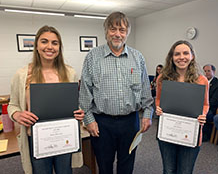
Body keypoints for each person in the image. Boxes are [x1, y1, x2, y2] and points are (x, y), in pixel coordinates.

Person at [79, 11, 153, 174]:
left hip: (130, 122)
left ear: (127, 33)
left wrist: (147, 114)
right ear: (106, 31)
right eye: (113, 29)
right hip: (102, 123)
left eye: (122, 30)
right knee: (104, 165)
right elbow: (85, 92)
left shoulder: (137, 57)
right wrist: (89, 120)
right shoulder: (92, 57)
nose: (117, 34)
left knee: (127, 164)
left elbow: (146, 90)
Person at [7, 25, 84, 174]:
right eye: (44, 41)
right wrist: (17, 115)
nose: (49, 47)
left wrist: (80, 112)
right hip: (37, 138)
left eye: (54, 43)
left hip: (64, 137)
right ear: (36, 45)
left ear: (59, 47)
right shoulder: (22, 75)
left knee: (65, 172)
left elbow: (76, 103)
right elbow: (13, 105)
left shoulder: (70, 73)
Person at [155, 40, 209, 174]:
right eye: (177, 54)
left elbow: (205, 104)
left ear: (192, 56)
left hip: (190, 132)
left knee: (185, 171)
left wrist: (203, 114)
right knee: (168, 170)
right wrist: (158, 108)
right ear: (171, 58)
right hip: (168, 131)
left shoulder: (201, 80)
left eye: (185, 53)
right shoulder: (162, 78)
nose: (181, 57)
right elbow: (158, 99)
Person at [203, 64, 218, 141]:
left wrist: (203, 106)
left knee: (202, 113)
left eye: (209, 71)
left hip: (212, 108)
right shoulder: (203, 81)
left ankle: (204, 135)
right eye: (205, 71)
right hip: (202, 105)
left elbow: (214, 101)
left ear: (214, 71)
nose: (206, 73)